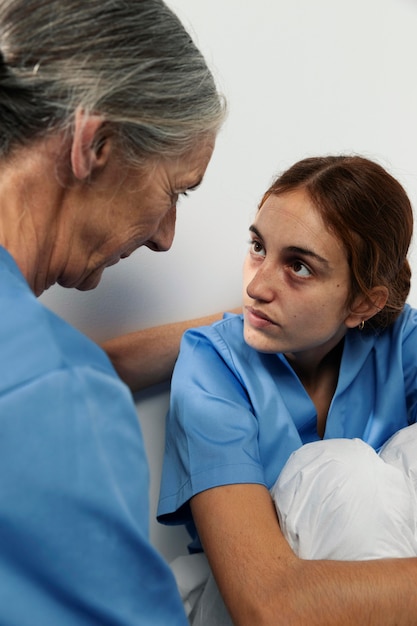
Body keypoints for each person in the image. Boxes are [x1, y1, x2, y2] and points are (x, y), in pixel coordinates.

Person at [0, 0, 227, 623]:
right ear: (94, 143)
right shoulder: (63, 392)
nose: (165, 236)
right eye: (175, 190)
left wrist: (236, 329)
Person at [158, 155, 417, 625]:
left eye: (299, 267)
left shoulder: (400, 342)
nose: (256, 287)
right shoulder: (213, 365)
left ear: (364, 302)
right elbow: (268, 606)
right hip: (243, 608)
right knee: (345, 473)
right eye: (258, 247)